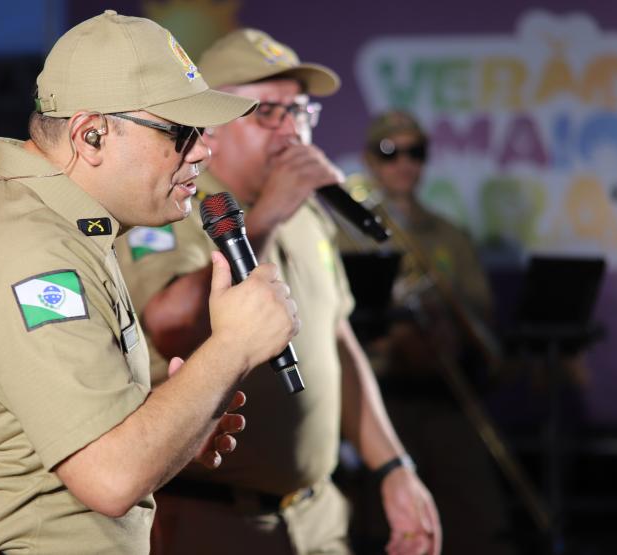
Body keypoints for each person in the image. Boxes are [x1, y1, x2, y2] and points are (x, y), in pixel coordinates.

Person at [0, 11, 299, 555]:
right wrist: (234, 346)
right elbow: (111, 477)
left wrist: (178, 419)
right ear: (91, 134)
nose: (202, 151)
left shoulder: (57, 222)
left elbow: (83, 445)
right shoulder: (28, 248)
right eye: (181, 132)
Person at [116, 29, 440, 555]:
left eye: (301, 111)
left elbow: (337, 345)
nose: (292, 131)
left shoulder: (306, 212)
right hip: (211, 518)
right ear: (211, 122)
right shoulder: (175, 204)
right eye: (268, 112)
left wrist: (393, 467)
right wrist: (263, 219)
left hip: (317, 517)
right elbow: (171, 324)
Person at [346, 109, 516, 555]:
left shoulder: (451, 237)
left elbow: (480, 317)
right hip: (376, 396)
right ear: (370, 159)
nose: (403, 163)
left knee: (476, 518)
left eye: (414, 152)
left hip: (443, 392)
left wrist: (449, 332)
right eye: (390, 152)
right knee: (380, 527)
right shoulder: (344, 236)